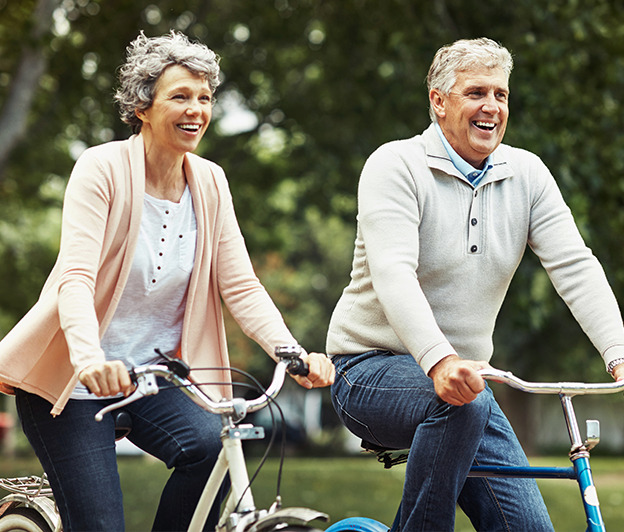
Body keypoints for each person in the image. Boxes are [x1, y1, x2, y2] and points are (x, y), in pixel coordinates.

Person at [0, 31, 334, 532]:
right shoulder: (102, 168)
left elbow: (240, 284)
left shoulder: (211, 181)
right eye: (180, 96)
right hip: (75, 383)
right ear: (142, 106)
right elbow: (75, 278)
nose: (196, 109)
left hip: (156, 379)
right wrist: (91, 360)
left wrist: (290, 352)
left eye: (204, 98)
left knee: (211, 449)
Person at [326, 37, 624, 531]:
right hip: (368, 370)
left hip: (470, 386)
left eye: (501, 95)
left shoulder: (527, 174)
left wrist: (618, 351)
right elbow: (394, 273)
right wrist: (440, 361)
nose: (491, 107)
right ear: (438, 101)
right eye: (475, 93)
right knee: (463, 399)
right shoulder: (395, 165)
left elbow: (575, 265)